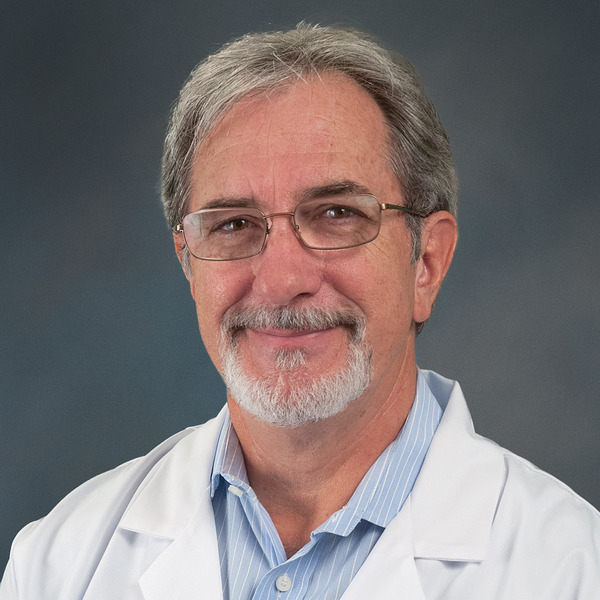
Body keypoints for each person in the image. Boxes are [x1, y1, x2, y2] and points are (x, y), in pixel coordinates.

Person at [1, 23, 599, 600]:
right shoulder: (58, 565)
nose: (282, 281)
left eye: (337, 214)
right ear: (189, 264)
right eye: (233, 224)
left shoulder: (573, 570)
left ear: (427, 261)